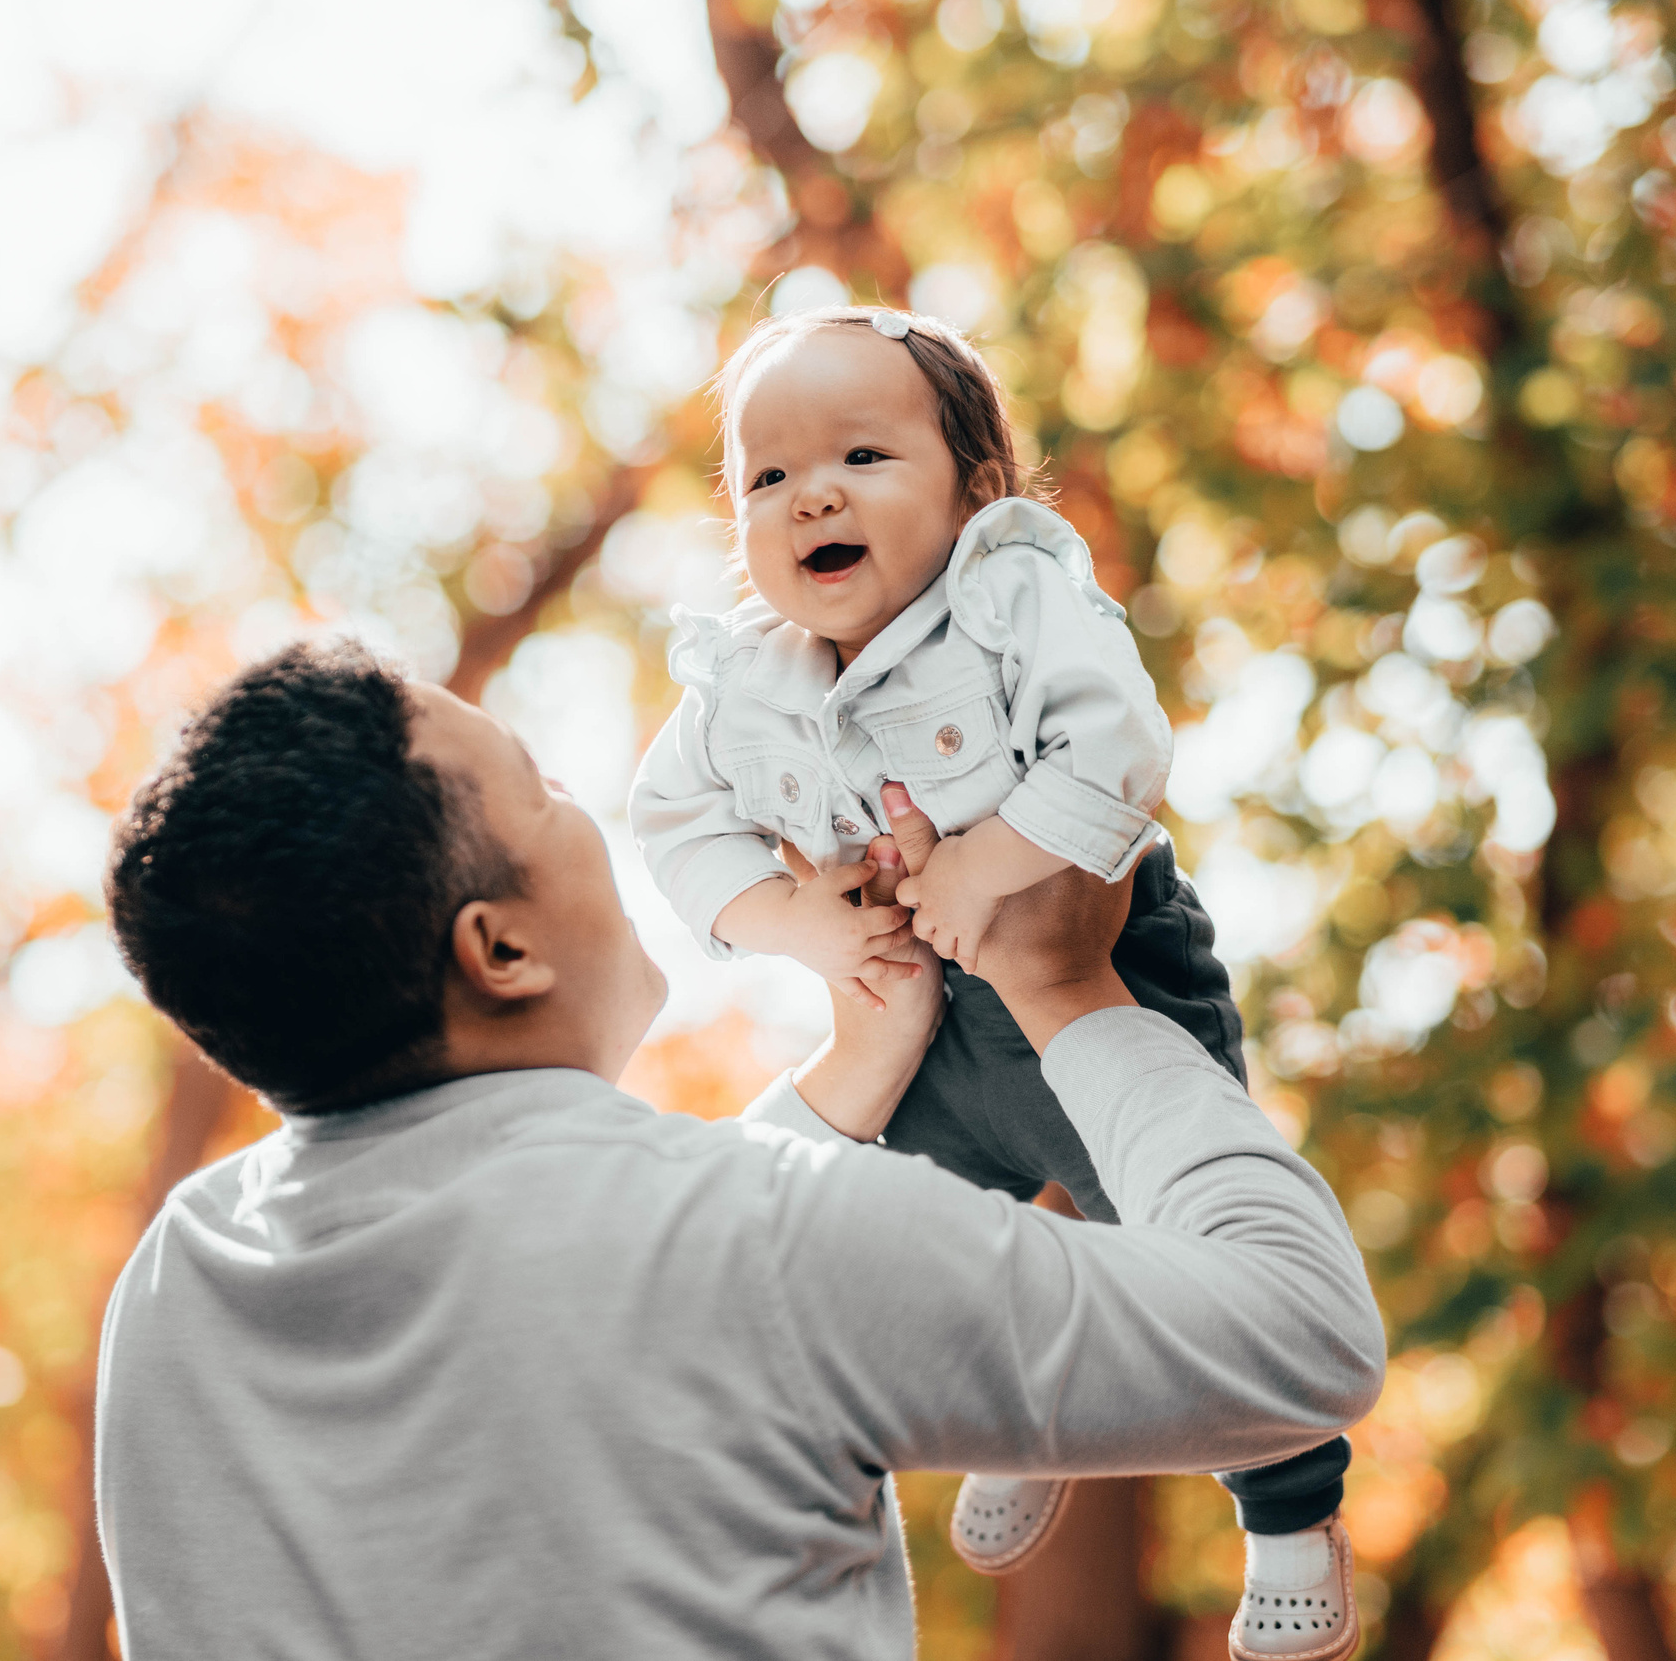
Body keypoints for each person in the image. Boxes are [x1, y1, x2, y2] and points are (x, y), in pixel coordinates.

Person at [96, 639, 1386, 1660]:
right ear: (501, 951)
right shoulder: (762, 1242)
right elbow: (1305, 1336)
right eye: (540, 789)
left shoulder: (176, 1288)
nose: (583, 810)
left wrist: (845, 1088)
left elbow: (580, 1314)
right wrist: (1068, 990)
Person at [626, 302, 1357, 1652]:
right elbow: (672, 820)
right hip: (933, 1026)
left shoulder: (1013, 599)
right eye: (769, 478)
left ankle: (1289, 1511)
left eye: (861, 456)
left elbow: (1121, 747)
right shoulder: (746, 687)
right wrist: (796, 917)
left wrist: (987, 865)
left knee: (1192, 1234)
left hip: (1102, 965)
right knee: (900, 1241)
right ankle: (1025, 1411)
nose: (811, 497)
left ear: (974, 488)